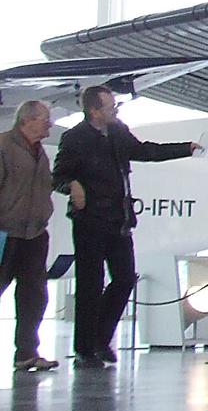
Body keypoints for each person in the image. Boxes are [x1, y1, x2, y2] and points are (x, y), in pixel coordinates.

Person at [51, 86, 199, 367]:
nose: (114, 111)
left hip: (119, 220)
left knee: (124, 278)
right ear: (94, 110)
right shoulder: (75, 138)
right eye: (110, 107)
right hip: (90, 221)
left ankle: (100, 338)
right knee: (90, 284)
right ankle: (85, 348)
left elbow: (144, 151)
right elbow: (58, 176)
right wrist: (72, 186)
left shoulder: (118, 132)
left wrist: (184, 149)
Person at [0, 100, 59, 373]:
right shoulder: (3, 147)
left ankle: (27, 353)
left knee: (34, 296)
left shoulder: (40, 152)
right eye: (45, 119)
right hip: (5, 233)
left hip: (34, 233)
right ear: (28, 121)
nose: (49, 123)